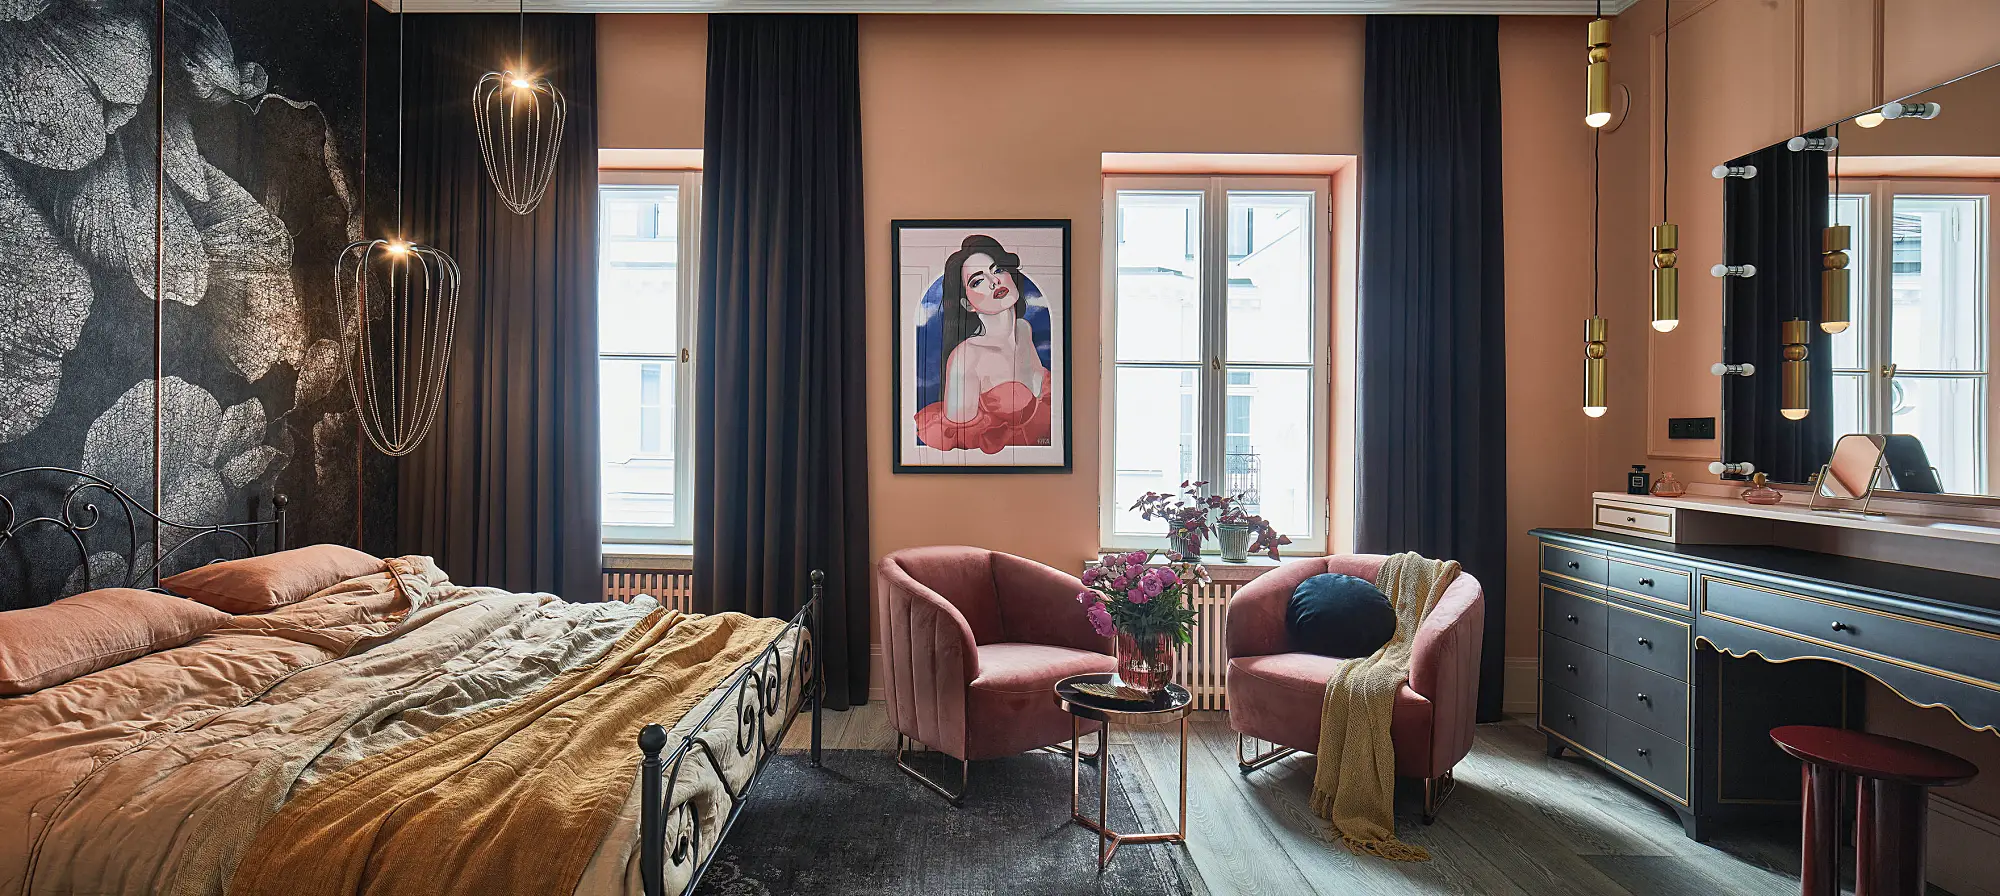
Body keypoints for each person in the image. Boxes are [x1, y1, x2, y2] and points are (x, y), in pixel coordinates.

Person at [913, 235, 1052, 454]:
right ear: (967, 304)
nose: (994, 281)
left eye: (998, 270)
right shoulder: (967, 357)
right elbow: (962, 444)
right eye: (977, 281)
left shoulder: (1024, 330)